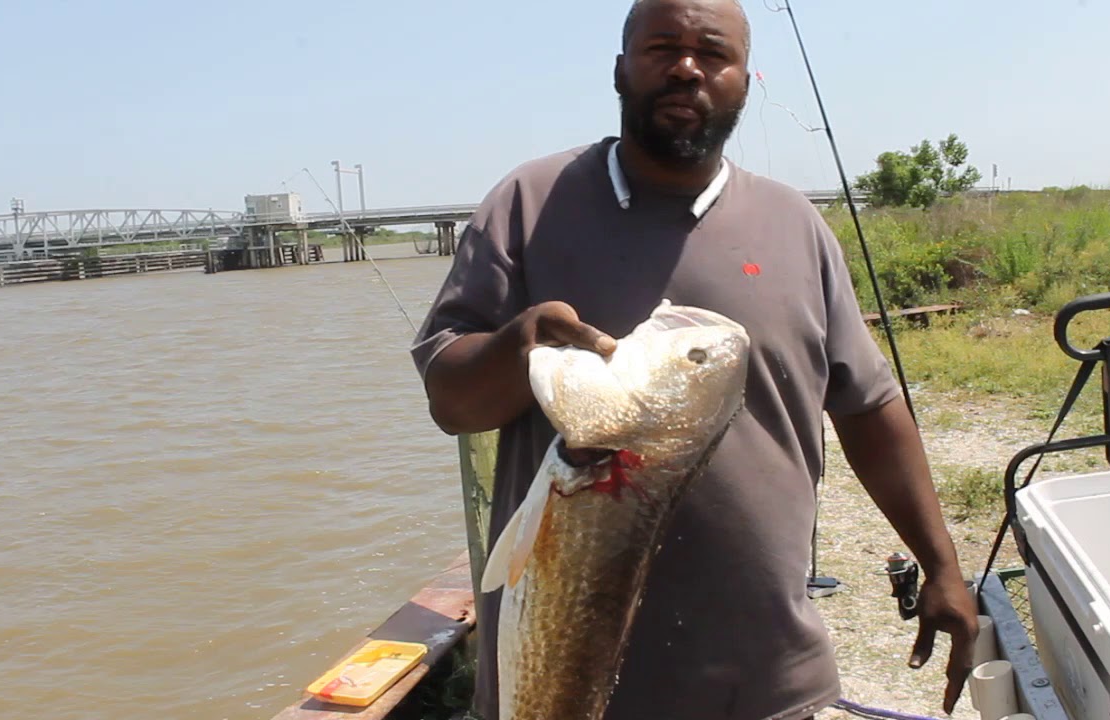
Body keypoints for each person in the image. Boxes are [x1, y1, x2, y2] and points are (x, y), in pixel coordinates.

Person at [410, 0, 979, 718]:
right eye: (662, 47)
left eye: (713, 53)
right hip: (557, 675)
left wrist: (943, 565)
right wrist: (519, 343)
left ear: (746, 79)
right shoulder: (528, 203)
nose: (687, 68)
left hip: (766, 673)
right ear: (620, 68)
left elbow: (867, 407)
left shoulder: (795, 225)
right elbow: (451, 402)